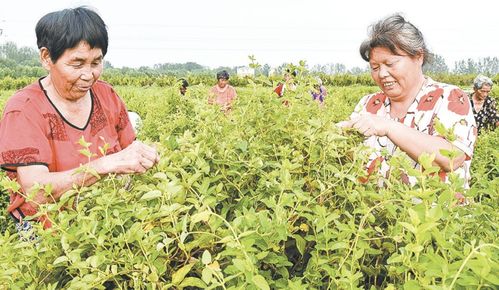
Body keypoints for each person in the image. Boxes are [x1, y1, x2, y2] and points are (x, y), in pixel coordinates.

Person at [0, 7, 159, 232]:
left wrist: (145, 158)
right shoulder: (24, 110)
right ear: (46, 58)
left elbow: (129, 151)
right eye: (77, 64)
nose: (88, 75)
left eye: (96, 62)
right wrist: (103, 165)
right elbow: (37, 192)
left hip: (106, 219)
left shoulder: (106, 95)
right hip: (49, 230)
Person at [338, 14, 477, 189]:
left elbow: (452, 158)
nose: (382, 74)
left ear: (418, 57)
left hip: (434, 215)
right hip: (376, 213)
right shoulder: (369, 104)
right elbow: (351, 158)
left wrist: (389, 127)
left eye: (390, 64)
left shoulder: (449, 98)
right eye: (375, 67)